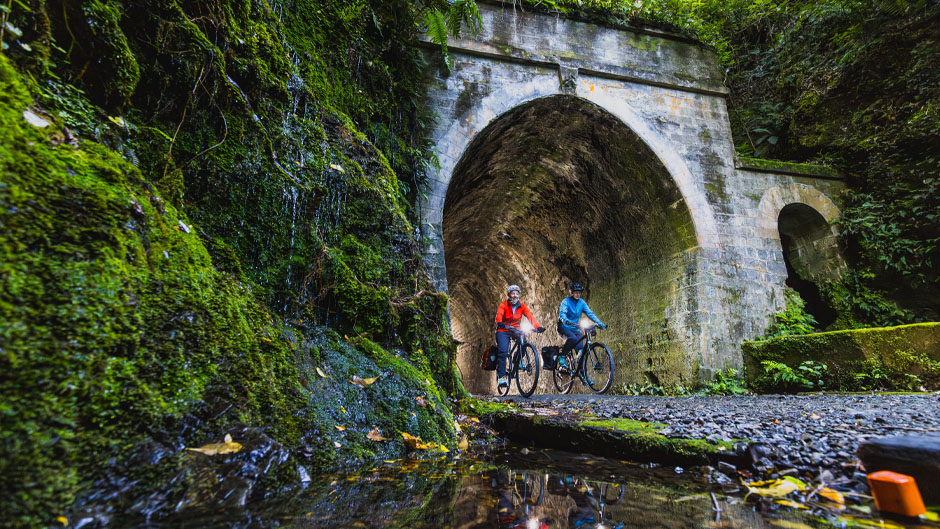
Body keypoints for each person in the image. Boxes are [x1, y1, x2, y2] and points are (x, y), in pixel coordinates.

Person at [494, 285, 544, 388]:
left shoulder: (522, 306)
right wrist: (500, 322)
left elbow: (530, 317)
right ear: (509, 295)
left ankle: (518, 359)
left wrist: (538, 327)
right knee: (503, 352)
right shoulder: (503, 305)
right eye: (512, 293)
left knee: (523, 342)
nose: (515, 295)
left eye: (516, 293)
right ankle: (501, 377)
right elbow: (499, 316)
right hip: (503, 330)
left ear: (519, 295)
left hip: (516, 329)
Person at [557, 283, 606, 360]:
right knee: (572, 338)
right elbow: (562, 314)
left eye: (579, 292)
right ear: (572, 293)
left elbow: (590, 313)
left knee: (580, 347)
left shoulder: (581, 302)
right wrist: (565, 320)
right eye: (576, 292)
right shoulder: (566, 301)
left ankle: (580, 366)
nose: (578, 294)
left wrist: (600, 323)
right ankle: (562, 357)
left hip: (574, 328)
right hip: (564, 326)